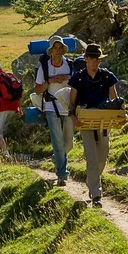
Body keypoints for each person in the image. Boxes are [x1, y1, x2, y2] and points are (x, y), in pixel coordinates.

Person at [68, 44, 123, 206]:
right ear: (86, 59)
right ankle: (96, 194)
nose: (94, 62)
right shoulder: (78, 78)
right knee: (91, 158)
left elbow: (114, 99)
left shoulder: (107, 76)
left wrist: (120, 112)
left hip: (104, 120)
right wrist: (74, 117)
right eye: (91, 59)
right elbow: (72, 103)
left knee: (103, 154)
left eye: (97, 59)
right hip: (85, 121)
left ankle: (92, 179)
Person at [34, 36, 76, 186]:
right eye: (55, 48)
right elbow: (38, 90)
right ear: (50, 51)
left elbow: (77, 85)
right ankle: (62, 174)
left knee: (69, 143)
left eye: (60, 48)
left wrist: (68, 78)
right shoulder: (43, 67)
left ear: (63, 50)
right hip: (51, 107)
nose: (58, 51)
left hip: (68, 108)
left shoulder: (70, 65)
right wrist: (50, 81)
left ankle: (57, 158)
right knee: (58, 141)